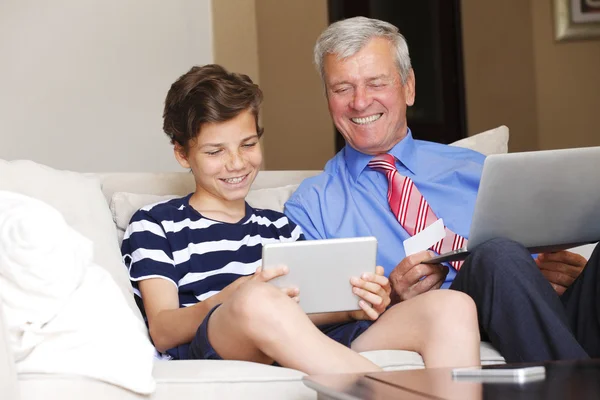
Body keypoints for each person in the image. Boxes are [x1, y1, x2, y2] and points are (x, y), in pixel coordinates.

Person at [120, 64, 481, 374]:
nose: (236, 163)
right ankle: (389, 392)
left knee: (451, 306)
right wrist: (229, 297)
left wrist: (357, 304)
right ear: (183, 154)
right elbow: (164, 329)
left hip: (304, 343)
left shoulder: (281, 227)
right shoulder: (155, 222)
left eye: (247, 144)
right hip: (221, 340)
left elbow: (307, 311)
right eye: (215, 151)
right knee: (256, 300)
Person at [284, 16, 600, 364]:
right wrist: (391, 299)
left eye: (376, 83)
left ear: (409, 87)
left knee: (510, 258)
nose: (360, 102)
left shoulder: (475, 167)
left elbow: (533, 261)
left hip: (536, 314)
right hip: (446, 322)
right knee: (494, 254)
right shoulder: (310, 207)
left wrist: (560, 273)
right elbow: (307, 326)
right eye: (342, 88)